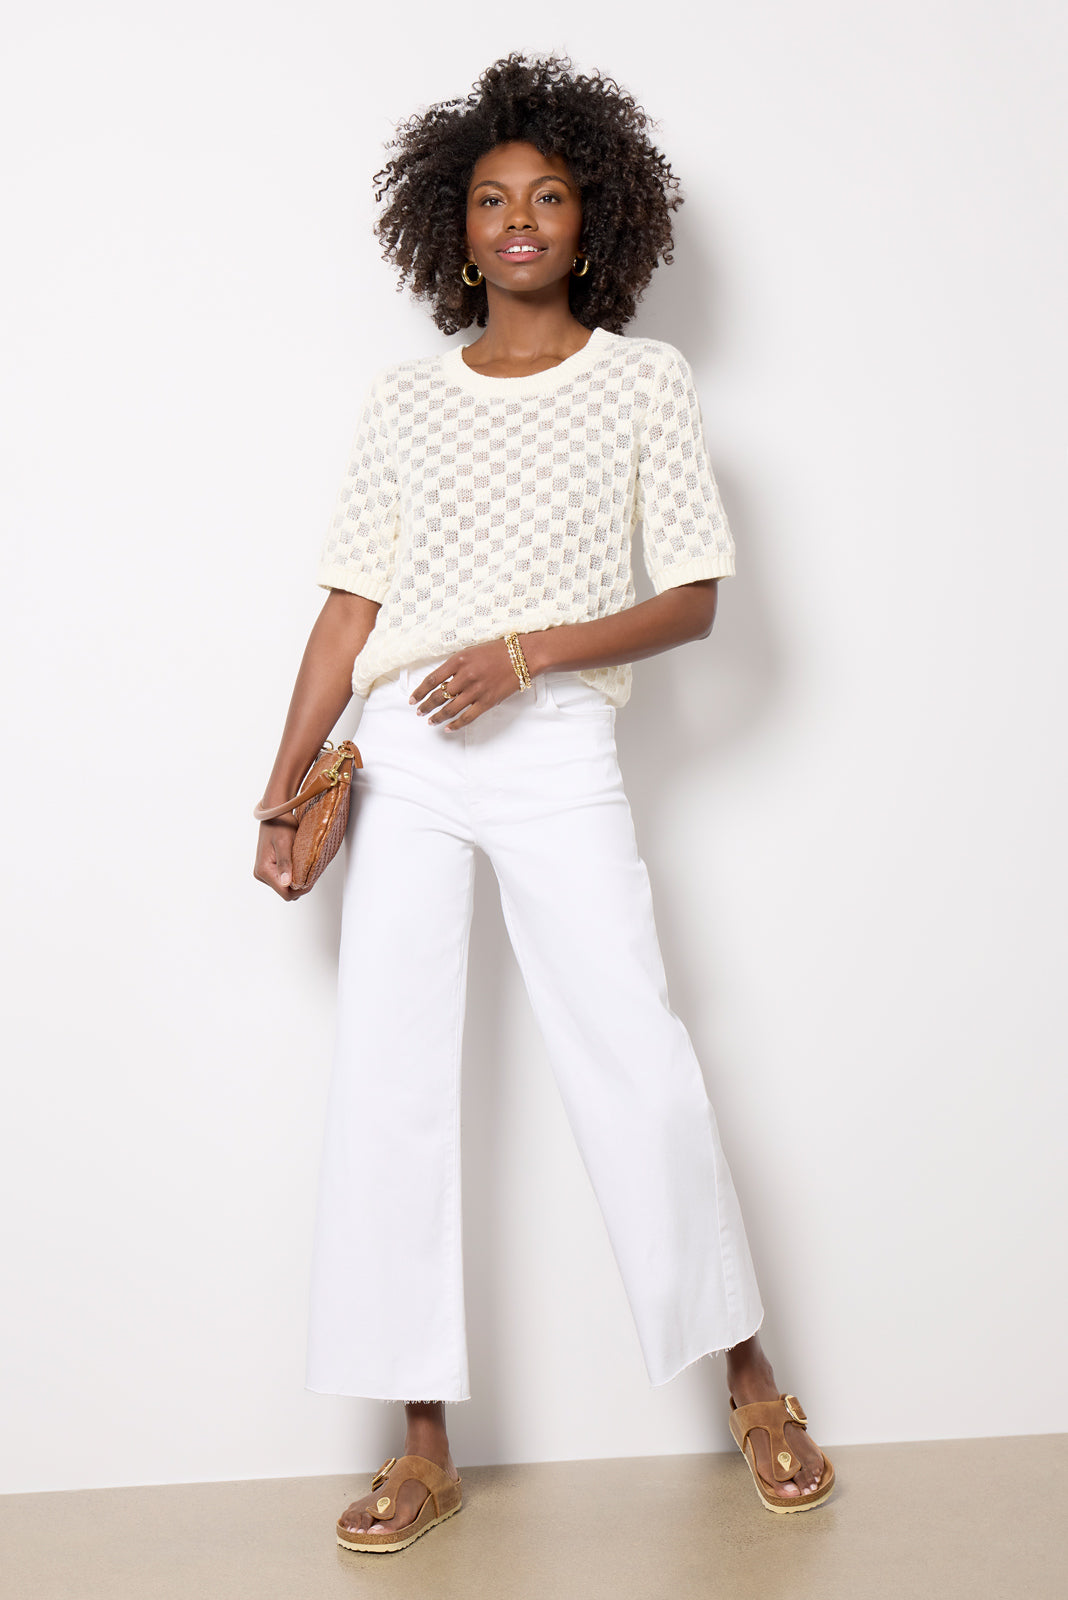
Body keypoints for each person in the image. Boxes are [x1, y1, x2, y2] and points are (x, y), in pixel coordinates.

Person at [254, 52, 835, 1553]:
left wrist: (526, 654)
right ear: (454, 233)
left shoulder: (643, 382)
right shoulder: (404, 400)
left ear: (594, 220)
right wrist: (278, 790)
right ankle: (420, 1444)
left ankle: (753, 1385)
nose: (520, 219)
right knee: (389, 1076)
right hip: (405, 749)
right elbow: (348, 610)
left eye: (550, 195)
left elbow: (695, 598)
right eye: (491, 199)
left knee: (634, 1048)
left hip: (555, 738)